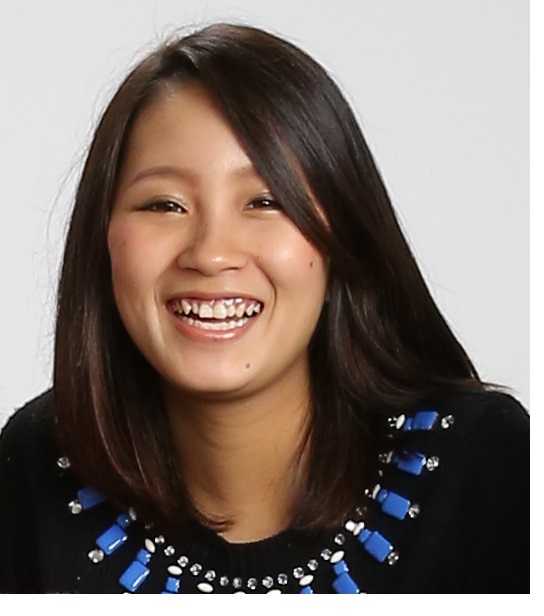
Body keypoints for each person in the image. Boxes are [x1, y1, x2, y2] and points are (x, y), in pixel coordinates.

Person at [0, 23, 529, 594]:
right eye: (165, 204)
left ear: (342, 235)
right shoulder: (34, 467)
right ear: (102, 237)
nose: (211, 253)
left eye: (265, 201)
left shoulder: (489, 470)